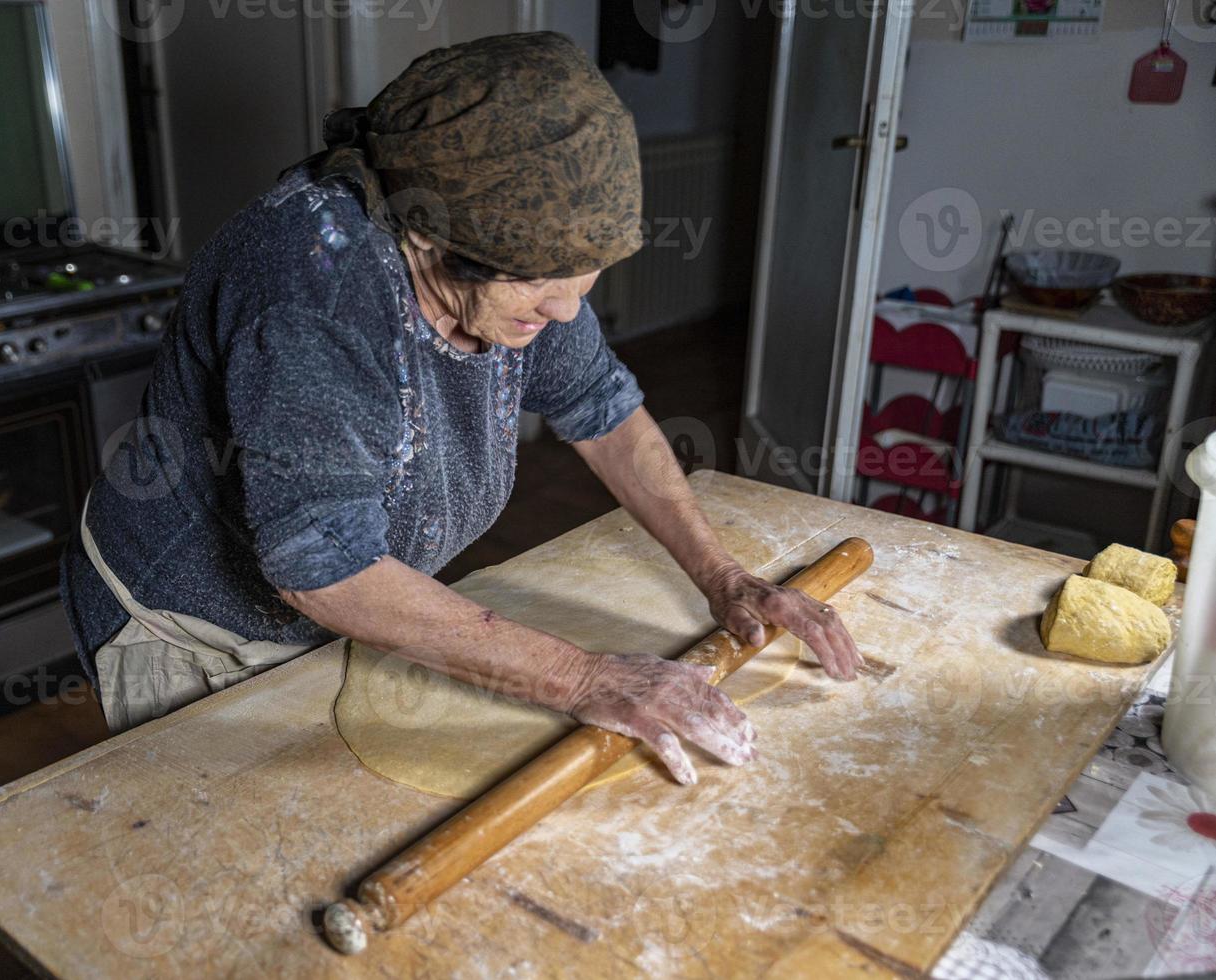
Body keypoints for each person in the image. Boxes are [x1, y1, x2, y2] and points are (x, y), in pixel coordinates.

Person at [61, 31, 861, 783]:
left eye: (578, 283)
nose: (560, 310)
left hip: (344, 611)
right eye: (539, 284)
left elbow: (600, 410)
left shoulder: (525, 260)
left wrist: (724, 579)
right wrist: (584, 676)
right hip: (200, 632)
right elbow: (325, 566)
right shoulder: (313, 289)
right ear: (430, 238)